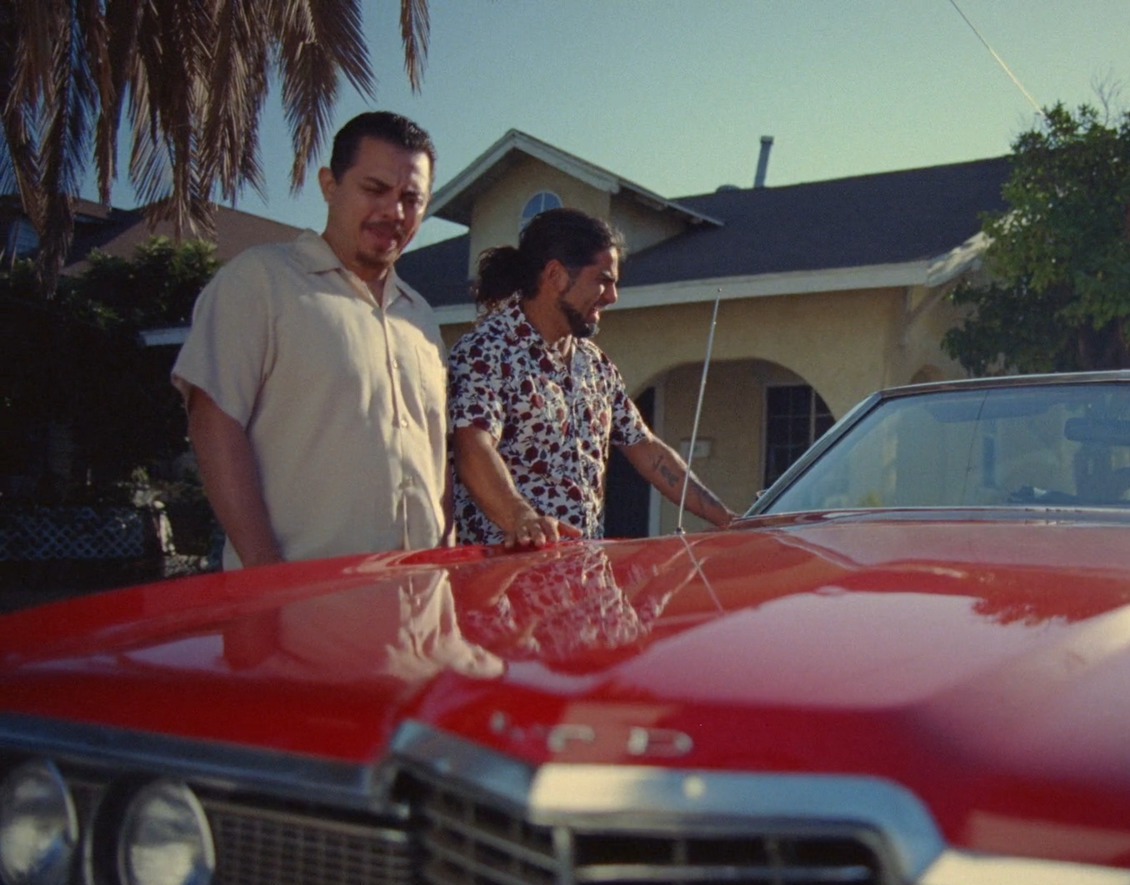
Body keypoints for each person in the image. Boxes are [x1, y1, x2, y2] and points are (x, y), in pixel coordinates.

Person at [172, 111, 448, 568]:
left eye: (411, 198)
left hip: (418, 613)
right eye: (374, 189)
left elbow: (436, 461)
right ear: (329, 185)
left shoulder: (420, 316)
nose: (393, 212)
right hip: (299, 613)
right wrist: (268, 584)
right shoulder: (260, 281)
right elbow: (214, 422)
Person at [449, 208, 735, 547]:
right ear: (555, 275)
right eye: (603, 280)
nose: (612, 297)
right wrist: (521, 517)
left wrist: (730, 521)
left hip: (584, 577)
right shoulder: (486, 351)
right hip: (506, 584)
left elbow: (647, 450)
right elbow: (472, 448)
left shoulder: (595, 365)